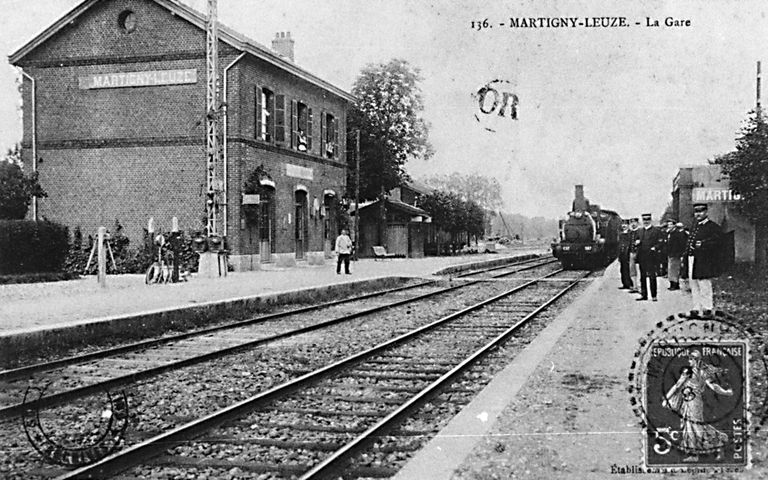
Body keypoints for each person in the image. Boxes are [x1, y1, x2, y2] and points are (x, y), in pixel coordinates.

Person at [662, 349, 733, 461]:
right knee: (693, 427)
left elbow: (677, 386)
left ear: (695, 360)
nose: (689, 361)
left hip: (691, 402)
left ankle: (716, 445)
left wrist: (667, 398)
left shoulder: (687, 372)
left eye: (691, 359)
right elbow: (714, 387)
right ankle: (698, 453)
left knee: (694, 427)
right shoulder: (704, 373)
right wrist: (726, 392)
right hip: (695, 402)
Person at [686, 203, 723, 313]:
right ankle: (696, 308)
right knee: (694, 283)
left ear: (706, 212)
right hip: (692, 258)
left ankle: (707, 308)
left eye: (701, 211)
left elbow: (718, 241)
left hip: (704, 259)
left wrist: (703, 244)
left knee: (704, 283)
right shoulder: (695, 226)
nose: (698, 214)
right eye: (696, 212)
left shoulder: (712, 226)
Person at [636, 213, 663, 301]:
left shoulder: (656, 231)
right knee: (642, 277)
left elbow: (660, 242)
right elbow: (637, 241)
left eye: (647, 220)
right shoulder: (640, 231)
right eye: (644, 220)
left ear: (650, 220)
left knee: (652, 276)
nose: (646, 222)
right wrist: (636, 244)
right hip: (642, 256)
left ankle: (654, 295)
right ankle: (644, 295)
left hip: (652, 257)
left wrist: (654, 248)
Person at [666, 220, 688, 291]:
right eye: (668, 225)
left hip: (676, 254)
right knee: (671, 269)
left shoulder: (677, 234)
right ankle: (672, 283)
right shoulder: (670, 233)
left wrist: (681, 254)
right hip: (671, 254)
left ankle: (675, 284)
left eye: (670, 224)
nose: (669, 226)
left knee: (675, 270)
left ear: (674, 225)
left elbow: (682, 244)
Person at [618, 222, 634, 290]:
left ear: (628, 225)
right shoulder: (621, 234)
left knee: (628, 269)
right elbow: (619, 245)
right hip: (622, 254)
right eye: (623, 224)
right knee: (622, 269)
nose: (624, 226)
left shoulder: (630, 234)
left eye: (625, 224)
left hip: (627, 253)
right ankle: (624, 283)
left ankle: (630, 284)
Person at [628, 217, 640, 293]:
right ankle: (635, 286)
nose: (633, 224)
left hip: (638, 253)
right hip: (631, 253)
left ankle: (639, 287)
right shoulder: (630, 233)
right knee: (632, 271)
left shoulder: (640, 232)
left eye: (634, 223)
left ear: (637, 223)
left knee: (639, 270)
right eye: (631, 223)